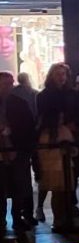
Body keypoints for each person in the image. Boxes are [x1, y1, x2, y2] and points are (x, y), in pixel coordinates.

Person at [37, 62, 79, 229]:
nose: (61, 77)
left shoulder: (72, 94)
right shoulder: (44, 95)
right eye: (58, 74)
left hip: (67, 135)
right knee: (55, 180)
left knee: (67, 179)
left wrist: (72, 124)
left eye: (64, 74)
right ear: (51, 76)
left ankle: (66, 216)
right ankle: (58, 218)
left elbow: (77, 113)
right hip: (50, 138)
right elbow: (43, 116)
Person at [0, 72, 35, 231]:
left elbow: (27, 125)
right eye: (4, 84)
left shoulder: (19, 103)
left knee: (18, 186)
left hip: (17, 149)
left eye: (10, 83)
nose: (7, 87)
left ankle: (17, 216)